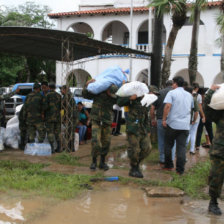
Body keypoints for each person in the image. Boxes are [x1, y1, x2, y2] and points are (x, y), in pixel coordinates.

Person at [117, 86, 153, 178]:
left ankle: (136, 164)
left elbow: (147, 117)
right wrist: (129, 98)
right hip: (133, 128)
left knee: (147, 148)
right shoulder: (134, 99)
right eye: (152, 93)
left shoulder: (147, 102)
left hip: (143, 129)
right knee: (134, 149)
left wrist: (148, 130)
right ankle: (134, 168)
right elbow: (119, 103)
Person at [82, 79, 118, 171]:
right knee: (95, 141)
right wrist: (86, 85)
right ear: (107, 90)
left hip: (107, 121)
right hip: (96, 120)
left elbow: (120, 101)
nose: (111, 96)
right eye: (110, 93)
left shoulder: (114, 97)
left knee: (106, 142)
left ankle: (102, 162)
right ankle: (94, 161)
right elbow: (85, 95)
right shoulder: (98, 92)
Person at [162, 76, 194, 175]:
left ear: (175, 83)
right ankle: (180, 170)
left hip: (173, 124)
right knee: (181, 148)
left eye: (173, 83)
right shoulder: (189, 95)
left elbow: (167, 106)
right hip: (185, 125)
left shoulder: (172, 93)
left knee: (168, 145)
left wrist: (164, 119)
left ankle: (168, 165)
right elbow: (191, 108)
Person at [204, 84, 223, 215]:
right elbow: (208, 110)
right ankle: (213, 202)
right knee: (216, 177)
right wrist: (210, 92)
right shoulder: (221, 115)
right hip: (220, 152)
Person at [150, 80, 173, 166]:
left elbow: (152, 108)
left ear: (165, 85)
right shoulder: (175, 93)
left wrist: (153, 119)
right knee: (171, 140)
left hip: (160, 119)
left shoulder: (159, 93)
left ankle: (162, 158)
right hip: (172, 121)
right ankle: (171, 158)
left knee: (161, 140)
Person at [45, 82, 61, 153]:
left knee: (50, 132)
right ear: (55, 88)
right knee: (57, 132)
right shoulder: (59, 95)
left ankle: (52, 149)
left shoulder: (47, 95)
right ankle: (59, 147)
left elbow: (45, 107)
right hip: (57, 117)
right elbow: (61, 107)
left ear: (49, 87)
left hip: (49, 117)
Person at [61, 85, 78, 152]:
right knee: (71, 132)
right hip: (73, 117)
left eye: (62, 89)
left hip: (70, 117)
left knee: (68, 133)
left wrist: (64, 118)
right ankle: (71, 148)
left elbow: (62, 106)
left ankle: (68, 148)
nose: (61, 91)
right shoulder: (70, 96)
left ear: (65, 90)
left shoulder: (66, 97)